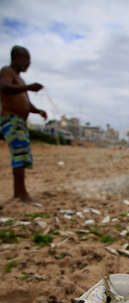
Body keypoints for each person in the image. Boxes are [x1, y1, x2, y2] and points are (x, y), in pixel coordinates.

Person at [0, 45, 47, 203]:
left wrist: (38, 111)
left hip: (20, 121)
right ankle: (21, 194)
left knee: (22, 156)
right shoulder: (7, 71)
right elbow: (4, 87)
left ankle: (18, 192)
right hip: (10, 119)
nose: (28, 63)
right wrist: (28, 87)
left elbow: (26, 103)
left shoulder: (20, 79)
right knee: (19, 156)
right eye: (26, 59)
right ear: (16, 58)